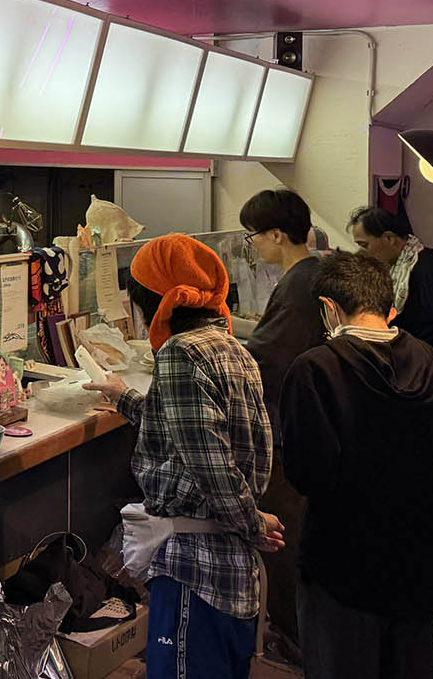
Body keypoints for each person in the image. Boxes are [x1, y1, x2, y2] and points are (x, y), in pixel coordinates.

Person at [84, 234, 283, 679]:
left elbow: (211, 466)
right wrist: (123, 396)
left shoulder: (180, 353)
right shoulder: (231, 347)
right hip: (230, 566)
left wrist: (252, 525)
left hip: (197, 568)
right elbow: (189, 428)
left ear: (151, 299)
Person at [279, 251, 433, 679]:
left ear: (329, 307)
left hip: (341, 566)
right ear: (386, 303)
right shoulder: (432, 363)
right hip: (417, 560)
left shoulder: (315, 369)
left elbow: (306, 474)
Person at [237, 188, 321, 655]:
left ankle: (293, 639)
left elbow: (268, 358)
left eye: (252, 236)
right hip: (309, 426)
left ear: (275, 234)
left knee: (282, 534)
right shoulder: (314, 273)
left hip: (286, 432)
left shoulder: (297, 285)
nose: (252, 246)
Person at [348, 206, 433, 351]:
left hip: (425, 358)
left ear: (389, 238)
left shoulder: (425, 268)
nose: (361, 252)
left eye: (365, 245)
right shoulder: (395, 265)